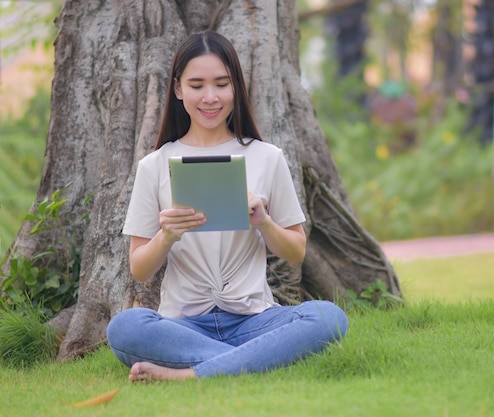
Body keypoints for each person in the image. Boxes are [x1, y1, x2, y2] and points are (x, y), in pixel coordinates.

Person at [106, 31, 348, 381]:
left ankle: (192, 374)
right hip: (185, 326)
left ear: (236, 86)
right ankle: (255, 362)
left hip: (254, 320)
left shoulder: (267, 158)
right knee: (126, 327)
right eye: (197, 85)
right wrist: (167, 235)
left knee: (328, 318)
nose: (210, 97)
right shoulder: (155, 165)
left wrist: (264, 222)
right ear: (178, 90)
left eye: (222, 84)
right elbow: (140, 269)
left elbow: (295, 252)